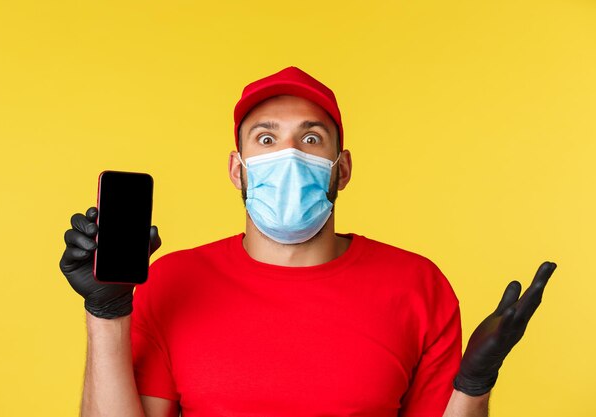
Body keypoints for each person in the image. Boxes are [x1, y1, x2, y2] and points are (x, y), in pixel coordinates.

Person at [60, 67, 557, 417]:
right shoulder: (173, 281)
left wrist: (473, 385)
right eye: (267, 139)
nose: (290, 154)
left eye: (312, 139)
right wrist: (106, 312)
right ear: (239, 170)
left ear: (341, 170)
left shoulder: (417, 285)